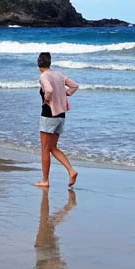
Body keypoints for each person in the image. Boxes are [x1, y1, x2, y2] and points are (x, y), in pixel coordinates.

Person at [34, 52, 79, 187]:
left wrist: (46, 100)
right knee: (53, 147)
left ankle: (45, 181)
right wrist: (65, 93)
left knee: (45, 149)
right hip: (61, 115)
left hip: (49, 115)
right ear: (49, 63)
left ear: (39, 64)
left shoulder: (44, 76)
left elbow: (48, 89)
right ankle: (71, 171)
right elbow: (75, 86)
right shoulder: (59, 74)